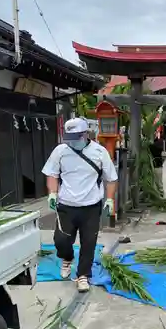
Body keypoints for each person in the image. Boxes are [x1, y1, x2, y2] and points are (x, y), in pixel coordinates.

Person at [42, 117, 118, 293]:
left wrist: (110, 199)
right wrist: (52, 193)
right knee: (61, 240)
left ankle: (83, 275)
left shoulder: (99, 152)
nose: (72, 141)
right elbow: (52, 173)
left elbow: (112, 178)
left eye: (76, 136)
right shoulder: (60, 151)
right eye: (69, 137)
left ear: (85, 134)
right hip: (66, 206)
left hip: (91, 206)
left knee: (88, 243)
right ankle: (67, 258)